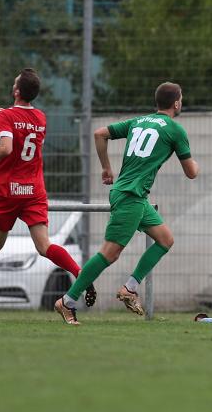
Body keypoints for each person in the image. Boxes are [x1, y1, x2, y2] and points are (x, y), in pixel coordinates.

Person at [55, 82, 198, 325]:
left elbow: (100, 133)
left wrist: (106, 169)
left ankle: (129, 288)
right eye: (181, 99)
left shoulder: (138, 122)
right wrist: (197, 165)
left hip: (134, 195)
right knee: (110, 253)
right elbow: (191, 172)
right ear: (176, 103)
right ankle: (67, 301)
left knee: (165, 239)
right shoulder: (175, 130)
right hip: (130, 195)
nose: (181, 102)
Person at [0, 69, 94, 309]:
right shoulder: (40, 117)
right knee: (44, 246)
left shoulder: (6, 115)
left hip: (9, 189)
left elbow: (7, 148)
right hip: (33, 190)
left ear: (17, 91)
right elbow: (23, 132)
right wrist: (6, 114)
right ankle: (80, 273)